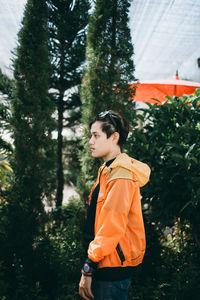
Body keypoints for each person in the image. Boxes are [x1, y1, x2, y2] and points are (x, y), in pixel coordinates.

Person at [79, 111, 151, 300]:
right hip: (104, 265)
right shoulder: (107, 170)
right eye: (90, 135)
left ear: (114, 137)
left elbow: (111, 227)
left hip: (111, 270)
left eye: (96, 135)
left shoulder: (121, 175)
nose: (90, 141)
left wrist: (88, 266)